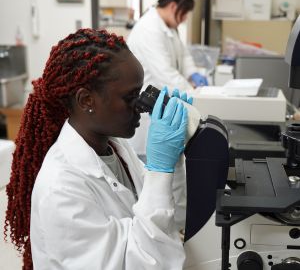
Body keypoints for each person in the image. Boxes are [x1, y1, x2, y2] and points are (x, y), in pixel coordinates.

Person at [4, 28, 189, 270]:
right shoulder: (60, 189)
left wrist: (172, 161)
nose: (141, 107)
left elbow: (171, 217)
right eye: (130, 97)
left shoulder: (116, 148)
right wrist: (159, 170)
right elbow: (143, 263)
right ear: (86, 100)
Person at [127, 0, 207, 157]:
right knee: (148, 167)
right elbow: (165, 74)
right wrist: (195, 95)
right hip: (147, 107)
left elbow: (183, 55)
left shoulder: (169, 27)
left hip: (161, 102)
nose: (185, 19)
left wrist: (193, 73)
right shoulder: (149, 28)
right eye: (184, 13)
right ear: (173, 6)